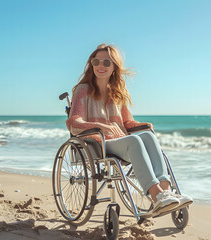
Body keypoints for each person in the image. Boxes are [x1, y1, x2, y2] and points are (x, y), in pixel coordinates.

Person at [66, 43, 193, 216]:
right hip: (97, 142)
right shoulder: (83, 90)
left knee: (147, 135)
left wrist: (143, 125)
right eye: (96, 62)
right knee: (134, 140)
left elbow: (127, 123)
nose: (100, 66)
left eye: (106, 62)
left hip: (121, 140)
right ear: (91, 64)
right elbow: (74, 122)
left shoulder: (118, 92)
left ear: (114, 68)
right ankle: (156, 197)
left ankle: (167, 191)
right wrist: (101, 127)